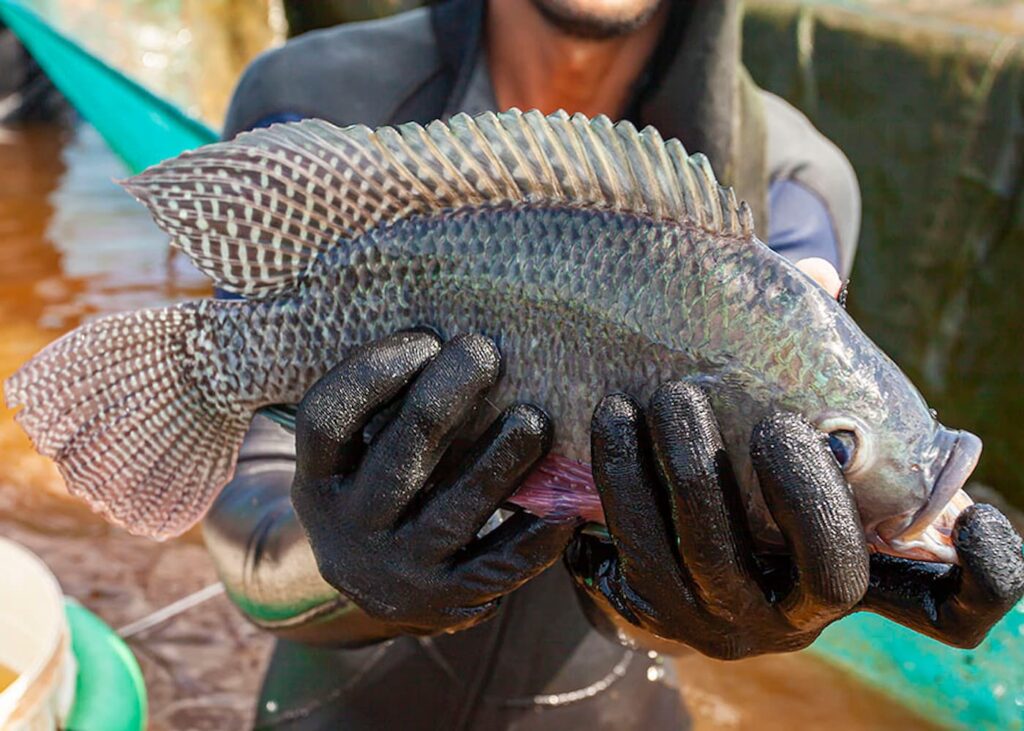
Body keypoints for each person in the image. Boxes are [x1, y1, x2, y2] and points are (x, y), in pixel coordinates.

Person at [203, 1, 1024, 728]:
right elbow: (226, 475)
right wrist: (338, 559)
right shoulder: (315, 94)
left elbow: (775, 463)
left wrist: (739, 601)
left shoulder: (796, 182)